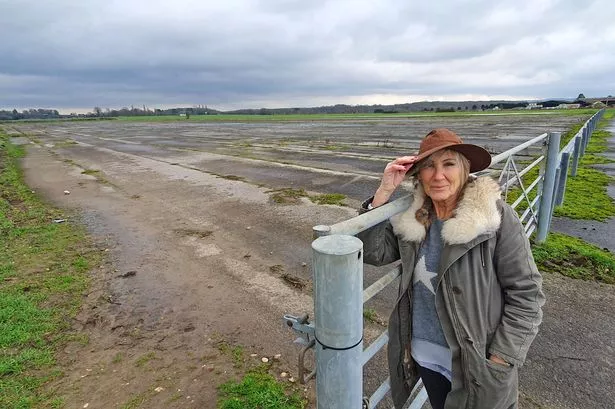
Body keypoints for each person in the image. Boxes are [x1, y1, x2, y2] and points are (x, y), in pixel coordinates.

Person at [357, 128, 545, 409]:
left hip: (477, 365)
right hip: (425, 356)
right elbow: (374, 252)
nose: (437, 175)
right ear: (418, 175)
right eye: (428, 166)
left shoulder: (494, 219)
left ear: (465, 169)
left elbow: (527, 294)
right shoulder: (414, 218)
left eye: (448, 164)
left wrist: (502, 357)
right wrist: (384, 191)